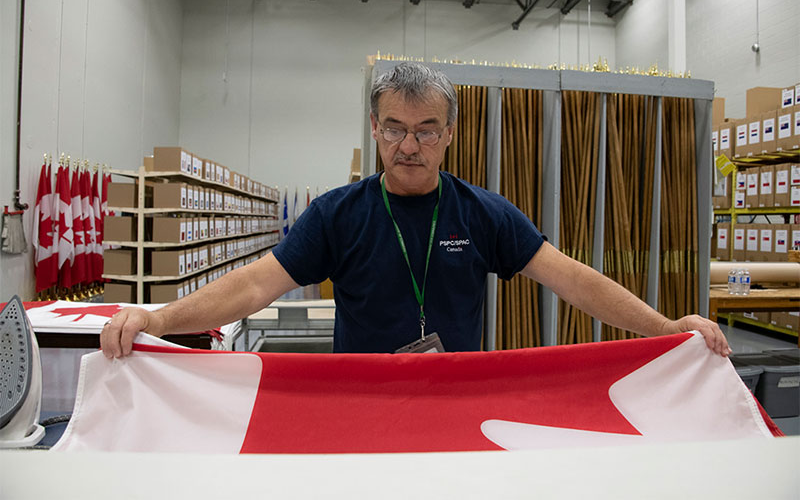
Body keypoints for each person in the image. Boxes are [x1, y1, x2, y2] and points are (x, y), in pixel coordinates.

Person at [101, 63, 731, 358]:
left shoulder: (483, 213)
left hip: (457, 400)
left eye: (427, 129)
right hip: (360, 401)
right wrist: (160, 317)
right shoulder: (336, 215)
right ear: (375, 129)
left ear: (451, 134)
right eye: (396, 128)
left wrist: (665, 327)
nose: (410, 145)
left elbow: (572, 279)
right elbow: (254, 285)